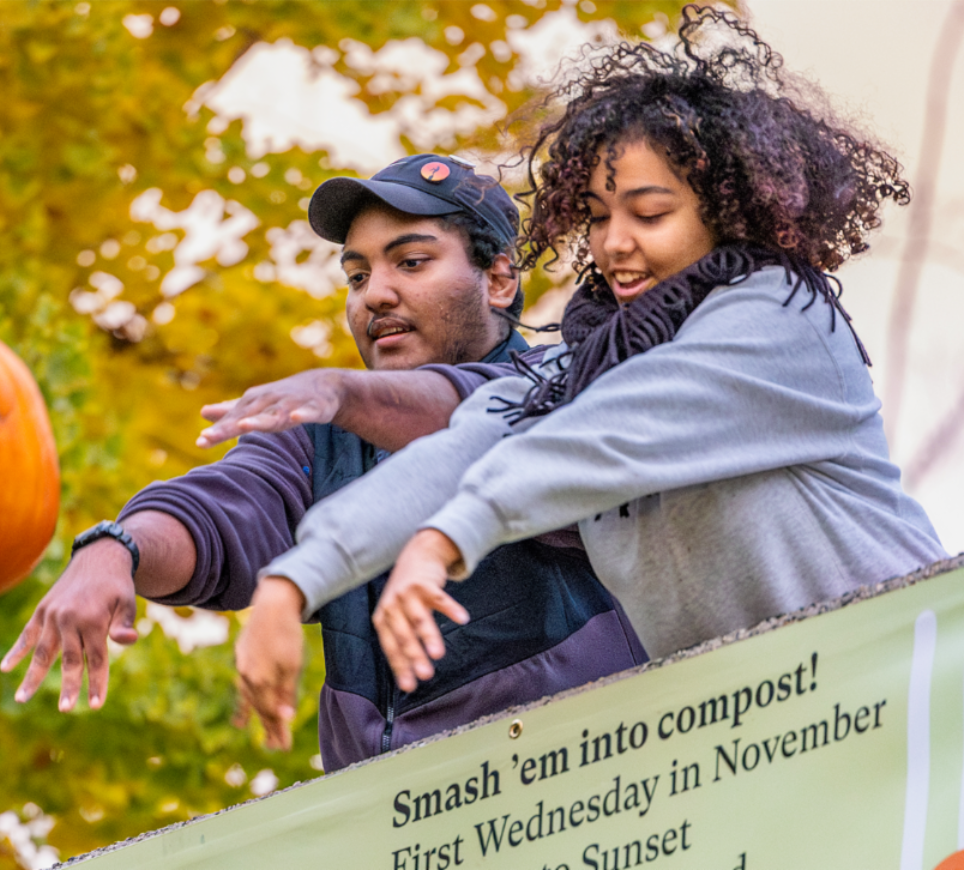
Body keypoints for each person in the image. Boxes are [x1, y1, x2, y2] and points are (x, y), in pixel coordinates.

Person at [249, 6, 948, 697]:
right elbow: (455, 456)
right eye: (595, 216)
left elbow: (611, 431)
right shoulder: (575, 375)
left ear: (724, 210)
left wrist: (445, 538)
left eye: (648, 214)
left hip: (916, 691)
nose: (613, 243)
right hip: (771, 731)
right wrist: (295, 580)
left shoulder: (779, 323)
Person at [1, 154, 645, 771]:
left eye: (411, 262)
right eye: (357, 276)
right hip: (397, 822)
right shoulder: (323, 437)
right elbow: (225, 508)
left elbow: (476, 426)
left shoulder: (572, 385)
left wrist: (341, 393)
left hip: (595, 784)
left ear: (499, 281)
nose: (375, 296)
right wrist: (115, 549)